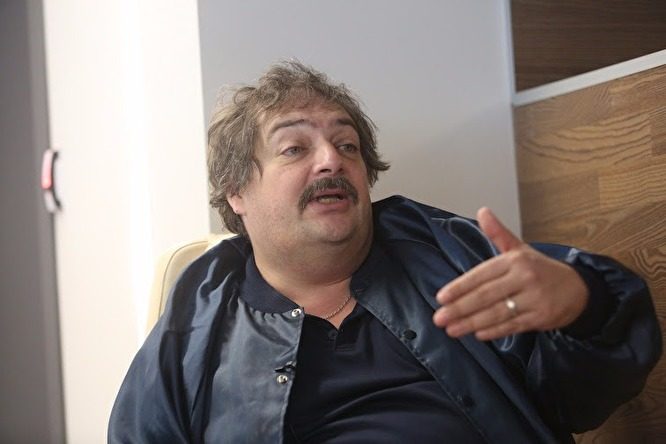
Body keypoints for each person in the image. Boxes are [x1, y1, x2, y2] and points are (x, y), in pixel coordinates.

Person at [108, 61, 661, 443]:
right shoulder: (201, 313)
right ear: (237, 193)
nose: (331, 160)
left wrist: (583, 304)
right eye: (294, 148)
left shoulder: (445, 254)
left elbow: (578, 402)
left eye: (347, 145)